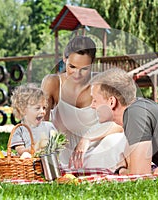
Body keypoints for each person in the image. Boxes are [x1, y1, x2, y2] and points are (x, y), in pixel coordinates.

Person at [41, 35, 125, 170]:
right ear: (64, 59)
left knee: (117, 140)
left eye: (84, 69)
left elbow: (122, 124)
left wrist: (88, 138)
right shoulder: (53, 83)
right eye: (72, 67)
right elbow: (40, 125)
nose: (77, 74)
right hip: (67, 158)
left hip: (99, 150)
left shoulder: (102, 84)